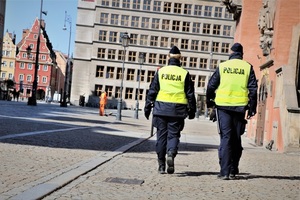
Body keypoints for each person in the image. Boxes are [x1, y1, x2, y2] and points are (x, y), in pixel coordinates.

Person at [206, 43, 258, 180]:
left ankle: (224, 172)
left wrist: (210, 101)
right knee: (236, 138)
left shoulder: (223, 66)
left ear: (231, 53)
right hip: (240, 107)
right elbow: (253, 88)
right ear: (242, 54)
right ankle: (233, 168)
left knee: (226, 138)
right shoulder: (247, 67)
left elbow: (211, 85)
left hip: (223, 107)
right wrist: (252, 107)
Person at [144, 46, 196, 174]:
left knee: (161, 136)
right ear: (180, 59)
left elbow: (152, 90)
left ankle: (161, 165)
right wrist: (192, 110)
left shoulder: (161, 72)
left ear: (168, 57)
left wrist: (147, 106)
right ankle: (171, 153)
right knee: (173, 135)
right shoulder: (184, 73)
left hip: (161, 109)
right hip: (177, 111)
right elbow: (190, 94)